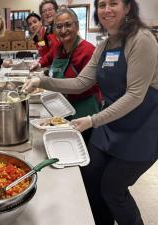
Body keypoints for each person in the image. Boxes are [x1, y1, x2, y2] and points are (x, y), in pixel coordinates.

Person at [25, 0, 158, 224]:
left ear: (127, 7)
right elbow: (80, 82)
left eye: (113, 3)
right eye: (102, 4)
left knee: (113, 189)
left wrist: (92, 120)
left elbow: (135, 95)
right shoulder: (104, 46)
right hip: (110, 127)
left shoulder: (141, 39)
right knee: (91, 180)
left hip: (140, 130)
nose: (106, 10)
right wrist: (42, 80)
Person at [37, 8, 102, 144]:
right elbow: (48, 57)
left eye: (68, 25)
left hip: (84, 108)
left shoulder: (88, 51)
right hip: (63, 106)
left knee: (81, 145)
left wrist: (41, 81)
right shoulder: (59, 48)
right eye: (59, 26)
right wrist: (38, 64)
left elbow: (81, 85)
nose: (63, 30)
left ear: (77, 26)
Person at [29, 1, 60, 70]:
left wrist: (41, 62)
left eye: (50, 9)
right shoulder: (48, 31)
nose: (47, 13)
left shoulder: (59, 27)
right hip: (53, 66)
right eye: (44, 11)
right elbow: (51, 52)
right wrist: (40, 62)